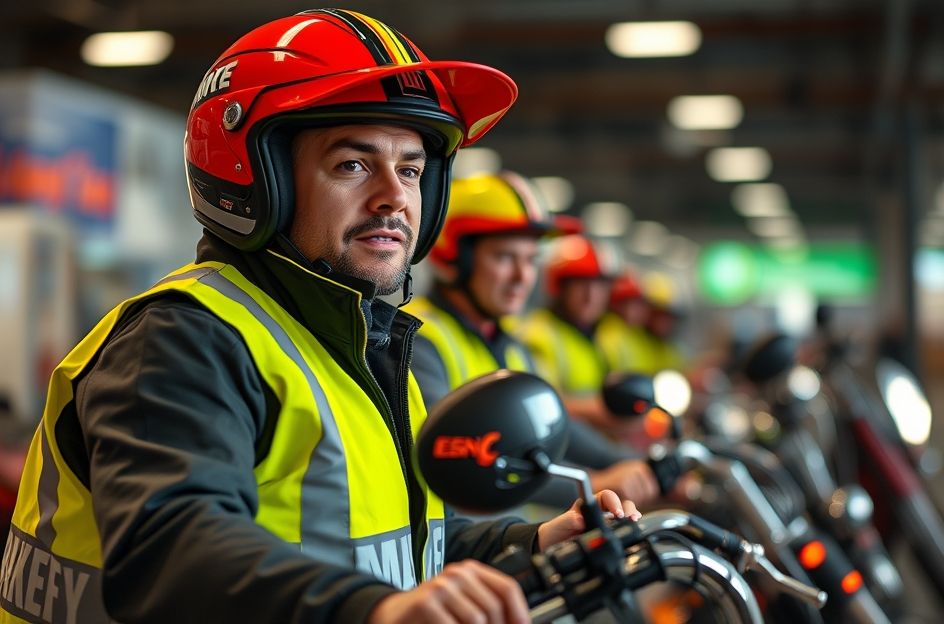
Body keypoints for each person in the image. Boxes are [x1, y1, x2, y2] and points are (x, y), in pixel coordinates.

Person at [0, 11, 637, 624]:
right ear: (260, 177)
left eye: (411, 170)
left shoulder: (364, 345)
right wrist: (371, 610)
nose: (394, 196)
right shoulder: (184, 338)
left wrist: (534, 542)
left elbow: (396, 550)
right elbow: (171, 549)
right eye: (353, 165)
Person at [407, 172, 658, 509]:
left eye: (530, 260)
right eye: (504, 258)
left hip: (514, 532)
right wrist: (592, 484)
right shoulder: (420, 339)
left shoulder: (509, 343)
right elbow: (470, 462)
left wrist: (632, 462)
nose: (522, 277)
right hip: (459, 547)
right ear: (456, 258)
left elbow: (551, 425)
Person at [595, 270, 661, 375]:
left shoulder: (638, 335)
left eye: (643, 304)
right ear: (618, 304)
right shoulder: (610, 334)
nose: (642, 310)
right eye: (636, 304)